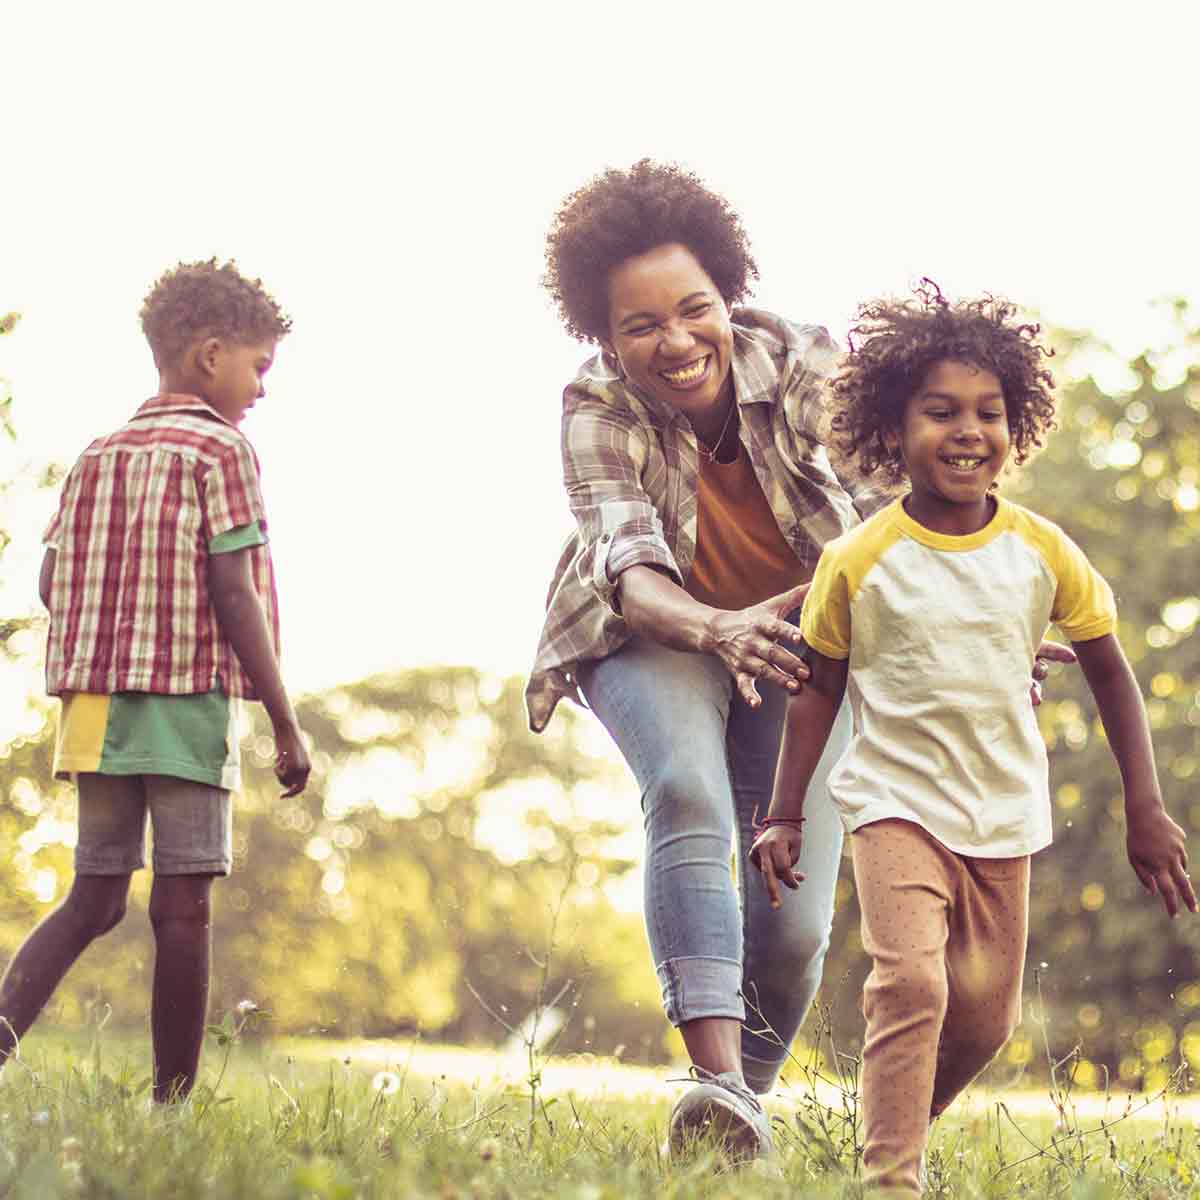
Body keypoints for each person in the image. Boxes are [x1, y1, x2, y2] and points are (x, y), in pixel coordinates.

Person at [526, 162, 1071, 1160]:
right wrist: (716, 628)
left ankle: (738, 1119)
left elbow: (907, 519)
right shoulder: (593, 404)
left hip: (801, 645)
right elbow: (628, 560)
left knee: (793, 923)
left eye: (695, 309)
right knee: (687, 793)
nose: (677, 340)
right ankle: (716, 1077)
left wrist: (985, 630)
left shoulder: (810, 366)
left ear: (728, 295)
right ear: (603, 334)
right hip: (654, 638)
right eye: (641, 324)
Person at [750, 281, 1197, 1195]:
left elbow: (1111, 670)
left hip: (1002, 812)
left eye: (989, 413)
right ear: (893, 424)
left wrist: (1144, 808)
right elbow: (819, 687)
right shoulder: (859, 558)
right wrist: (784, 810)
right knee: (912, 985)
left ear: (1016, 425)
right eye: (940, 411)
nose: (967, 432)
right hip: (894, 803)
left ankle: (895, 1121)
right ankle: (891, 1180)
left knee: (987, 1022)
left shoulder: (1042, 549)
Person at [0, 259, 311, 1103]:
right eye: (259, 367)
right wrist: (285, 722)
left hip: (94, 710)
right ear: (211, 355)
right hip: (181, 705)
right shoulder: (223, 449)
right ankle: (171, 1107)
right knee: (182, 905)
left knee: (94, 898)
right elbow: (235, 593)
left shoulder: (96, 455)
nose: (260, 388)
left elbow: (47, 583)